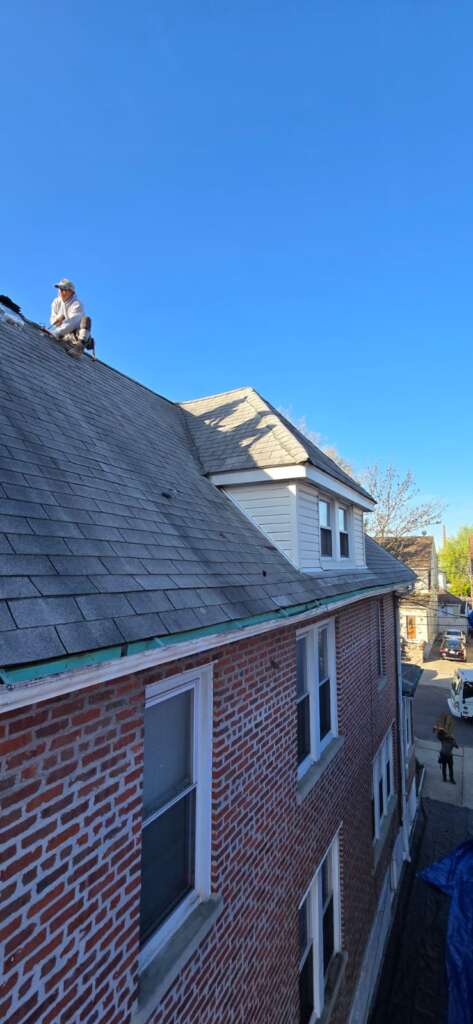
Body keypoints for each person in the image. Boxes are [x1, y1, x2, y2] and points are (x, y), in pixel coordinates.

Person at [50, 279, 91, 356]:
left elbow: (72, 323)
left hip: (75, 335)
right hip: (64, 335)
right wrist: (57, 320)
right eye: (60, 289)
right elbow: (53, 319)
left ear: (71, 292)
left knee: (86, 320)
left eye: (64, 289)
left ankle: (79, 347)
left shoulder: (77, 304)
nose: (61, 292)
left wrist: (55, 333)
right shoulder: (56, 302)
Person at [433, 713, 458, 783]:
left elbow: (438, 736)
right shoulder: (450, 740)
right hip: (448, 756)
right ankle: (451, 779)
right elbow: (456, 746)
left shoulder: (443, 739)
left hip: (444, 755)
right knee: (450, 768)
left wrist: (437, 730)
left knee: (445, 767)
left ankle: (445, 778)